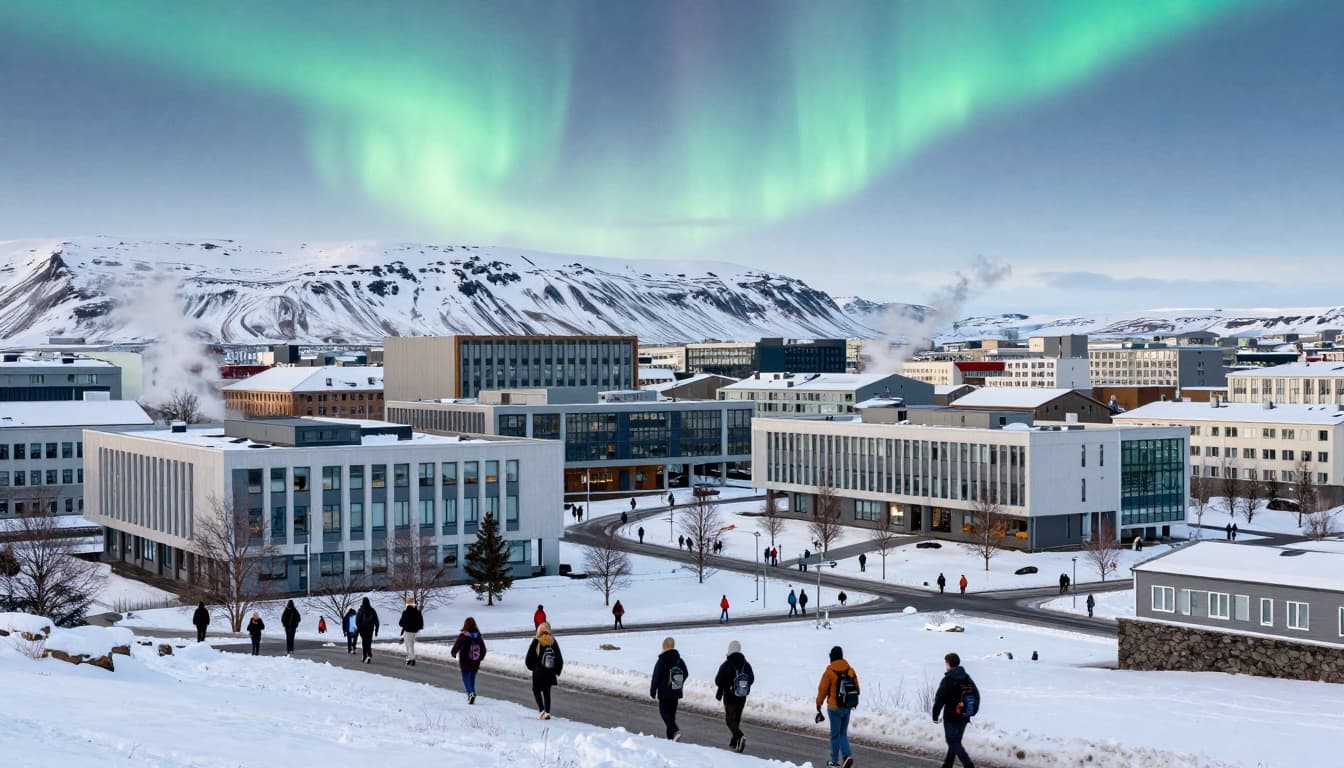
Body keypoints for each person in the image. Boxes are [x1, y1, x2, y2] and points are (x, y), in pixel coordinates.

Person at [933, 652, 979, 768]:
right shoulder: (966, 677)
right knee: (955, 742)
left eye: (946, 663)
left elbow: (940, 699)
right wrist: (971, 710)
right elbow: (976, 695)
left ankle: (968, 765)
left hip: (951, 717)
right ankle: (947, 765)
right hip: (964, 715)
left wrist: (935, 715)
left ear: (948, 664)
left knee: (952, 742)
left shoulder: (948, 679)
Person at [815, 646, 858, 768]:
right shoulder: (850, 670)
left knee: (835, 735)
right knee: (842, 734)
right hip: (847, 707)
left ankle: (835, 761)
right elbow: (857, 688)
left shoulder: (829, 672)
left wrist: (818, 704)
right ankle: (847, 756)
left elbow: (822, 690)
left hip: (834, 708)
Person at [714, 640, 754, 753]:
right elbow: (751, 679)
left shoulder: (726, 664)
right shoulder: (746, 664)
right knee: (736, 719)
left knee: (729, 721)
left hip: (730, 696)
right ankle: (735, 743)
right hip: (742, 696)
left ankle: (740, 736)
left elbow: (718, 681)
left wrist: (728, 684)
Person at [650, 636, 687, 741]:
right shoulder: (679, 660)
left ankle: (675, 731)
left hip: (664, 692)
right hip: (676, 692)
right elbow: (686, 673)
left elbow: (656, 676)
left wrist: (653, 690)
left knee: (664, 713)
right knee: (671, 716)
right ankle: (671, 739)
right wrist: (679, 682)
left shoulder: (662, 660)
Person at [525, 622, 563, 719]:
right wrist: (557, 670)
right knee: (547, 692)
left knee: (536, 690)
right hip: (550, 672)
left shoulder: (536, 641)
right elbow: (559, 658)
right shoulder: (552, 641)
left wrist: (532, 667)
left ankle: (542, 710)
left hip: (538, 672)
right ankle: (547, 712)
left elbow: (529, 657)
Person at [450, 616, 486, 704]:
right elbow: (483, 649)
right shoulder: (478, 636)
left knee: (466, 678)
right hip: (475, 661)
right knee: (472, 678)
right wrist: (480, 658)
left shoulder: (463, 635)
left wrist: (453, 653)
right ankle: (472, 694)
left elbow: (457, 646)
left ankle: (471, 694)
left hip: (465, 661)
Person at [399, 596, 425, 666]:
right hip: (415, 631)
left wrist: (405, 625)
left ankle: (411, 659)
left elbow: (401, 623)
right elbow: (421, 623)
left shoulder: (406, 612)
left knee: (408, 645)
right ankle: (410, 658)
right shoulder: (418, 612)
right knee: (411, 645)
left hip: (407, 631)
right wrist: (417, 628)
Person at [356, 596, 380, 663]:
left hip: (363, 629)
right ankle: (369, 655)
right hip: (370, 629)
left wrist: (359, 629)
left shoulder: (360, 610)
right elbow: (376, 621)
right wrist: (376, 630)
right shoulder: (372, 610)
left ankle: (364, 656)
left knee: (364, 642)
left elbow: (357, 621)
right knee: (369, 642)